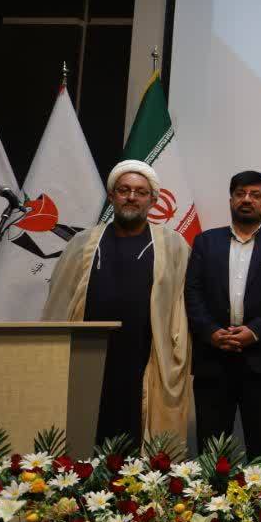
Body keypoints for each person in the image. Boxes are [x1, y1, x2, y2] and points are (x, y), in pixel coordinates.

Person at [42, 161, 192, 448]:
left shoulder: (173, 245)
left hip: (146, 353)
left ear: (153, 200)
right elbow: (59, 301)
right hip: (89, 353)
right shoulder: (82, 242)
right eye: (124, 190)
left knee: (137, 428)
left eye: (140, 192)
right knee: (86, 427)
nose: (131, 197)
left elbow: (183, 306)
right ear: (112, 196)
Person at [185, 171, 261, 456]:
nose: (246, 200)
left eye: (255, 195)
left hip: (260, 361)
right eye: (240, 194)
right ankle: (211, 488)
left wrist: (255, 331)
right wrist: (211, 332)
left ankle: (259, 489)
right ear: (231, 200)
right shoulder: (205, 242)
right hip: (213, 358)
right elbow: (192, 292)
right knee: (211, 447)